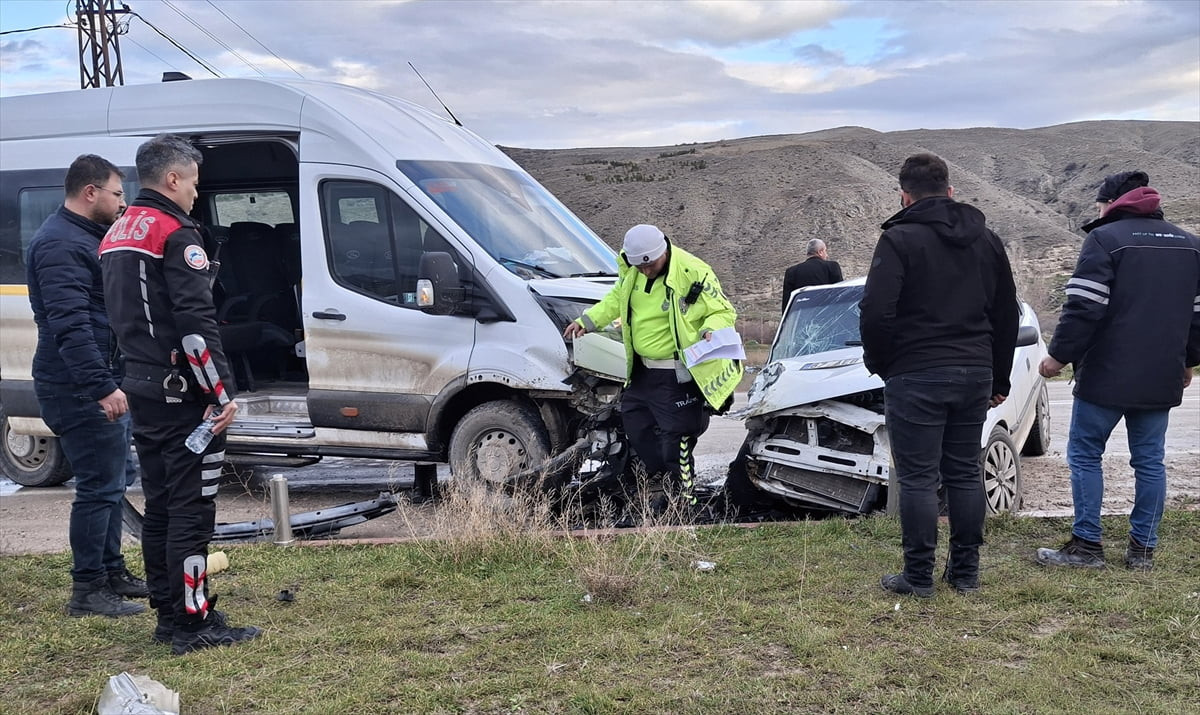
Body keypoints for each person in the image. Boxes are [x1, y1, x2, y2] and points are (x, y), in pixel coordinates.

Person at [99, 134, 261, 654]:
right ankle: (193, 624)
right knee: (192, 511)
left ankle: (170, 613)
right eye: (193, 181)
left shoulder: (119, 230)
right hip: (184, 396)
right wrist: (219, 394)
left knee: (163, 506)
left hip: (142, 387)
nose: (195, 192)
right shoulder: (176, 234)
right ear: (172, 178)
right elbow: (195, 327)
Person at [860, 153, 1018, 597]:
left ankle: (917, 577)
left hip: (916, 373)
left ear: (904, 196)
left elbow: (875, 312)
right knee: (966, 472)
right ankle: (965, 574)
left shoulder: (899, 240)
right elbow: (1006, 314)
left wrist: (883, 365)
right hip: (974, 373)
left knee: (918, 478)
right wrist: (998, 379)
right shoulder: (987, 240)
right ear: (950, 191)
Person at [1036, 170, 1200, 571]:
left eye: (1099, 206)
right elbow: (1198, 316)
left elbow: (1083, 308)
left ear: (1112, 204)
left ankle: (1087, 547)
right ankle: (1142, 552)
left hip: (1105, 376)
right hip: (1160, 373)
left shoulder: (1105, 240)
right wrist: (1188, 362)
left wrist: (1057, 358)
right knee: (1150, 461)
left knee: (1086, 455)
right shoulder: (1191, 246)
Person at [26, 154, 149, 617]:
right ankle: (88, 590)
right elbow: (71, 326)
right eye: (118, 193)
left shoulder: (83, 236)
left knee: (116, 479)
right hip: (76, 385)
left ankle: (112, 572)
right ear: (90, 192)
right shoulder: (60, 245)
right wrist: (102, 386)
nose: (123, 202)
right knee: (99, 485)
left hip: (93, 378)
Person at [563, 224, 742, 509]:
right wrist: (588, 320)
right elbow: (615, 301)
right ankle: (664, 488)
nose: (645, 271)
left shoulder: (693, 271)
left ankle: (685, 504)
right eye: (639, 267)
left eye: (650, 265)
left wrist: (710, 327)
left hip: (676, 374)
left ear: (664, 253)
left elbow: (723, 311)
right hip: (642, 371)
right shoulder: (633, 272)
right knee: (637, 428)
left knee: (677, 439)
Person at [781, 238, 843, 312]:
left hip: (802, 317)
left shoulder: (791, 272)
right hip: (827, 316)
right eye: (825, 251)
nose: (827, 255)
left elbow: (787, 304)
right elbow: (840, 295)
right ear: (820, 252)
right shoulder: (832, 267)